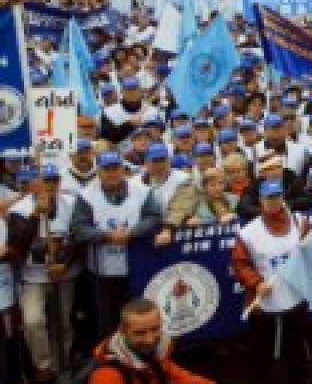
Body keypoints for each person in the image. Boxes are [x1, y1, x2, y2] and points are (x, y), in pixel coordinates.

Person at [71, 151, 161, 340]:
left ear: (123, 169)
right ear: (99, 171)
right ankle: (111, 360)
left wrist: (132, 233)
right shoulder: (86, 195)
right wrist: (106, 236)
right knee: (107, 320)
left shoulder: (142, 191)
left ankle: (141, 355)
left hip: (137, 266)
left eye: (115, 168)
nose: (111, 173)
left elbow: (154, 218)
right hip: (102, 270)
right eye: (106, 169)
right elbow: (79, 228)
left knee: (139, 317)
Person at [230, 180, 311, 384]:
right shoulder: (249, 232)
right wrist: (256, 283)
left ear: (283, 197)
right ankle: (260, 378)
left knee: (296, 342)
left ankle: (299, 377)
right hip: (264, 297)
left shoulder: (299, 221)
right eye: (269, 198)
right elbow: (240, 264)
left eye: (277, 197)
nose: (274, 202)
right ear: (261, 201)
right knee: (260, 346)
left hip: (295, 293)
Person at [8, 163, 79, 381]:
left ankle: (62, 363)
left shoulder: (72, 203)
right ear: (34, 183)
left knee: (63, 321)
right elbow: (16, 244)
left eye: (54, 180)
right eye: (45, 180)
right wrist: (35, 215)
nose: (49, 185)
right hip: (33, 276)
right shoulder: (18, 209)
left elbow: (80, 238)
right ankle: (43, 364)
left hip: (63, 273)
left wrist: (65, 263)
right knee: (33, 321)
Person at [87, 297, 212, 384]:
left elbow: (185, 379)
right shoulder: (107, 375)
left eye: (155, 329)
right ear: (122, 331)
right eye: (139, 333)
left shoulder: (156, 356)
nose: (150, 339)